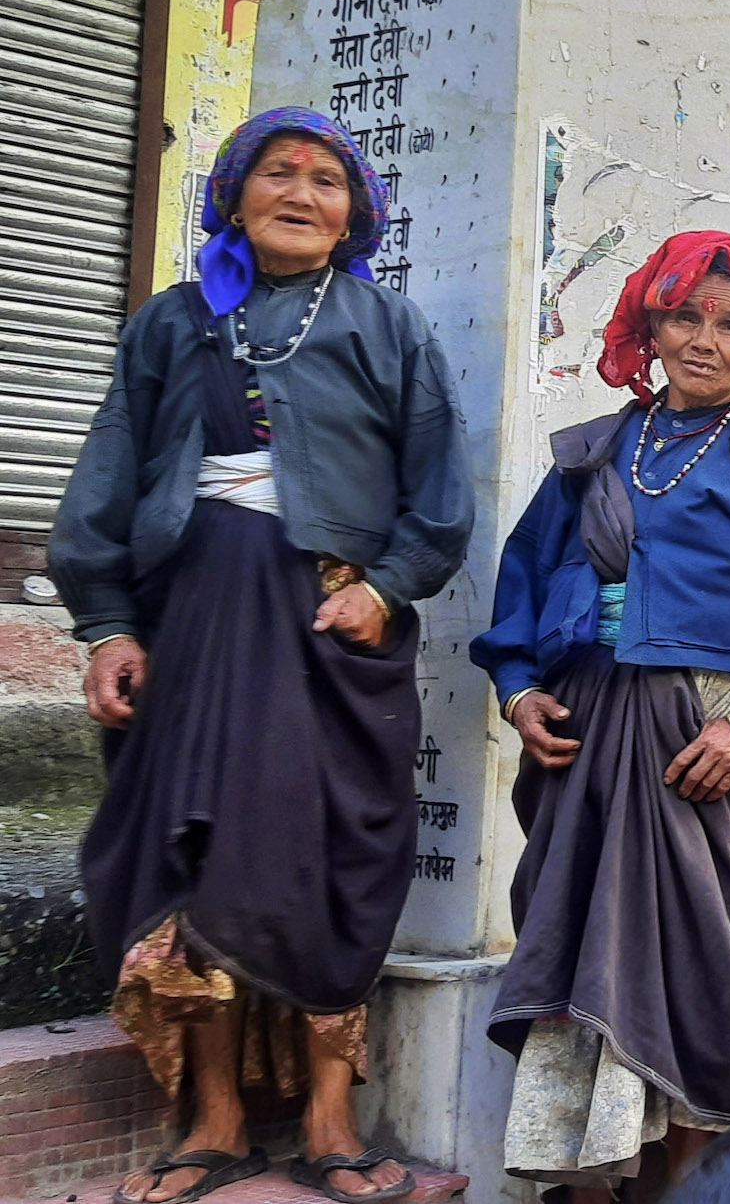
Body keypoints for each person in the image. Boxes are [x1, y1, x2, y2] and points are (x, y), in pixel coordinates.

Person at [53, 107, 471, 1204]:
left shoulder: (390, 328)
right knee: (196, 864)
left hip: (335, 635)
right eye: (277, 172)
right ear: (232, 196)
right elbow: (108, 475)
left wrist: (384, 590)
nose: (301, 191)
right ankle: (218, 1119)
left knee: (333, 859)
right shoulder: (170, 324)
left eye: (327, 178)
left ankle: (333, 1121)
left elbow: (439, 495)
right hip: (193, 624)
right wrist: (107, 623)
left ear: (356, 213)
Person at [471, 231, 730, 1200]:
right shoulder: (592, 456)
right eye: (684, 313)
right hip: (596, 739)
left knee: (716, 967)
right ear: (646, 324)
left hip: (718, 745)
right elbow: (520, 589)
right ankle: (589, 1184)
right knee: (583, 953)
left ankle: (692, 1184)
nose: (703, 338)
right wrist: (521, 690)